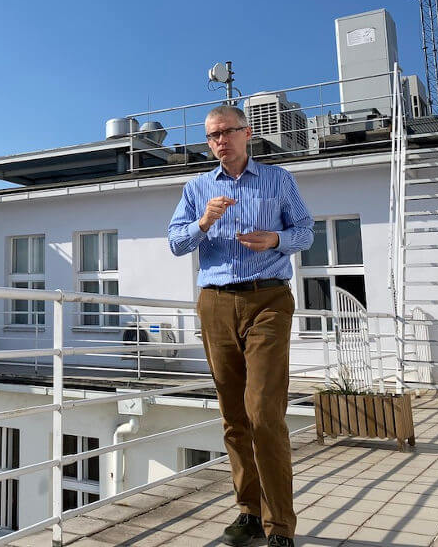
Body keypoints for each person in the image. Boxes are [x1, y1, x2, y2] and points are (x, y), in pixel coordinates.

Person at [167, 105, 313, 547]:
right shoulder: (196, 188)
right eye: (212, 136)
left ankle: (279, 525)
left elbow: (306, 231)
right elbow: (176, 243)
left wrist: (276, 239)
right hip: (215, 303)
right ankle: (249, 511)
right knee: (233, 416)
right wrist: (203, 222)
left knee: (264, 412)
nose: (219, 142)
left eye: (227, 132)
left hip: (268, 299)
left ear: (246, 133)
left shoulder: (278, 180)